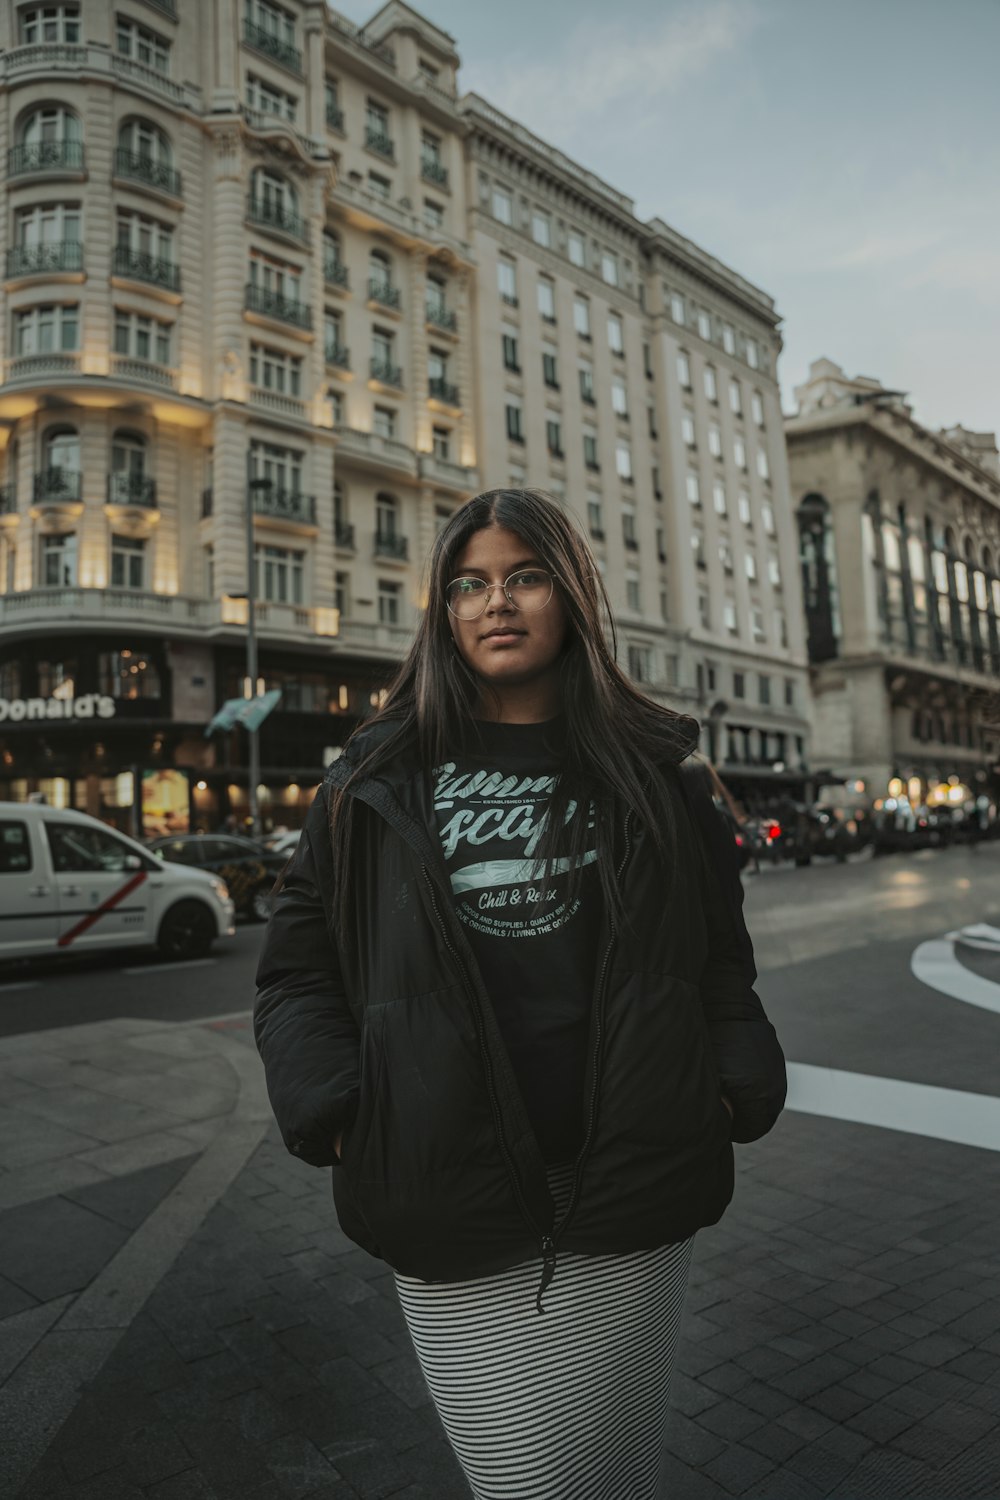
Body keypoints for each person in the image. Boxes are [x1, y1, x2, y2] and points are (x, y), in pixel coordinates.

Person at [254, 488, 787, 1500]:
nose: (496, 602)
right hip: (437, 1176)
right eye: (469, 583)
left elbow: (719, 956)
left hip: (632, 1172)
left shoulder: (657, 771)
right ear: (443, 612)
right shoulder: (374, 775)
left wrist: (728, 1083)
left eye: (524, 575)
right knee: (525, 1482)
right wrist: (336, 1112)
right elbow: (294, 965)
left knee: (610, 1466)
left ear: (571, 594)